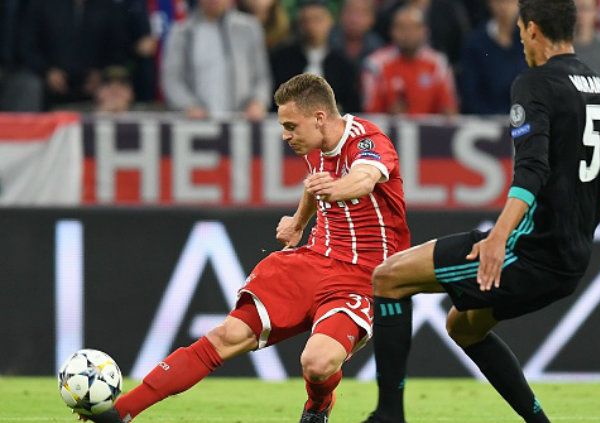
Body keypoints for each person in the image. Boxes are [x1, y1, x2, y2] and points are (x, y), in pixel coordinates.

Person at [84, 73, 410, 423]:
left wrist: (335, 188)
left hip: (362, 276)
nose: (285, 135)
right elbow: (315, 183)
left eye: (290, 125)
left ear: (319, 117)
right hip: (312, 262)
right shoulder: (314, 145)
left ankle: (318, 404)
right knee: (226, 335)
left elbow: (363, 179)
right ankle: (122, 413)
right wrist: (299, 221)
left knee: (316, 364)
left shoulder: (367, 141)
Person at [362, 0, 600, 422]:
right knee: (463, 327)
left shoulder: (534, 84)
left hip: (529, 250)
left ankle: (389, 415)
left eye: (521, 30)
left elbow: (532, 169)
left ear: (533, 29)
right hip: (572, 257)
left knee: (388, 278)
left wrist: (499, 237)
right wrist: (572, 223)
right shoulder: (593, 83)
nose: (521, 39)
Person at [161, 0, 272, 120]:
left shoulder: (249, 28)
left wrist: (257, 102)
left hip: (241, 123)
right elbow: (172, 79)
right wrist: (188, 105)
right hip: (195, 125)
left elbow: (262, 77)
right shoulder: (181, 32)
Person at [362, 5, 458, 115]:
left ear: (425, 31)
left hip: (429, 131)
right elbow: (370, 113)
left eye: (414, 28)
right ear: (392, 31)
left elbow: (450, 110)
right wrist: (390, 116)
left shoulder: (438, 63)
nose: (407, 33)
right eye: (401, 27)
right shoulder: (375, 64)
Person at [271, 0, 361, 112]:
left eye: (318, 20)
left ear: (330, 22)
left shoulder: (343, 64)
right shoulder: (281, 59)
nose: (311, 26)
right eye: (306, 21)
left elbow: (352, 104)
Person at [459, 0, 527, 115]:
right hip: (485, 121)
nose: (504, 7)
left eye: (509, 2)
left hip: (525, 119)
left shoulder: (530, 40)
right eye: (499, 2)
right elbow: (470, 91)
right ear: (490, 3)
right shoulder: (476, 43)